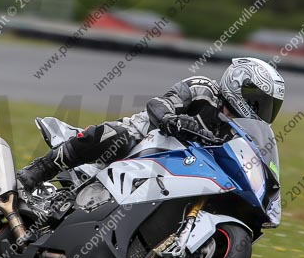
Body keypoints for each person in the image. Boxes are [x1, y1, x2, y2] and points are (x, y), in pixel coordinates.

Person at [16, 57, 285, 192]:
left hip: (178, 170)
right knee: (118, 136)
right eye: (259, 101)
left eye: (269, 106)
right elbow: (161, 103)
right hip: (146, 141)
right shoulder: (204, 88)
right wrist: (170, 119)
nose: (262, 110)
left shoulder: (237, 132)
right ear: (238, 84)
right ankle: (39, 170)